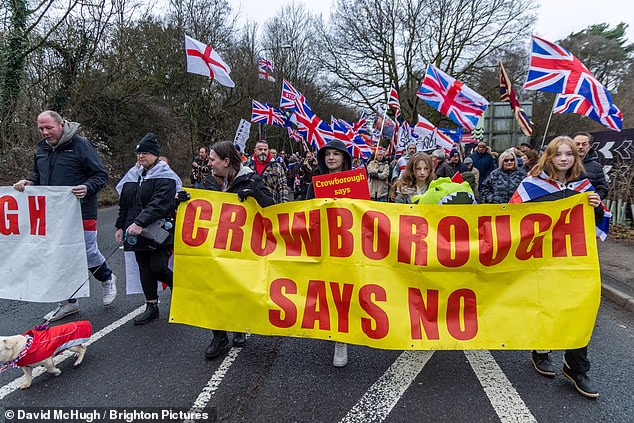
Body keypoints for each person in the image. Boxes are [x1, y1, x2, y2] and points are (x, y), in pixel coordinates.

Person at [509, 135, 605, 399]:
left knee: (580, 310)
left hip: (574, 260)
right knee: (545, 305)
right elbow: (510, 217)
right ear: (548, 157)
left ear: (576, 157)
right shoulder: (531, 185)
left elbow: (599, 222)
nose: (564, 158)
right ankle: (541, 351)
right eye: (558, 154)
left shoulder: (583, 187)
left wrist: (596, 208)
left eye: (569, 154)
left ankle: (576, 368)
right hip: (541, 260)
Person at [13, 110, 117, 321]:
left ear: (61, 125)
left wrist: (87, 187)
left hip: (82, 209)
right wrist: (29, 182)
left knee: (87, 252)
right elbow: (37, 175)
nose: (45, 132)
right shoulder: (41, 148)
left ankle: (107, 278)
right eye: (41, 128)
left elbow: (100, 175)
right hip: (52, 211)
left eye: (49, 127)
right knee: (57, 255)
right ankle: (68, 302)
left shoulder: (81, 145)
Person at [197, 141, 274, 358]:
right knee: (214, 291)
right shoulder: (209, 181)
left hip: (241, 247)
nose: (209, 163)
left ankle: (238, 326)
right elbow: (198, 205)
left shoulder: (251, 179)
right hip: (215, 246)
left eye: (212, 159)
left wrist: (256, 195)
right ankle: (219, 336)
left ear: (226, 161)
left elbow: (271, 207)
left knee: (236, 290)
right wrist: (183, 202)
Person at [115, 134, 181, 325]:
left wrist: (140, 223)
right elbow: (125, 204)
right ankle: (151, 306)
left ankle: (182, 294)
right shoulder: (133, 175)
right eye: (138, 153)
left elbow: (159, 204)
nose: (141, 156)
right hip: (135, 230)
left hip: (160, 230)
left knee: (158, 267)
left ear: (155, 155)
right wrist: (120, 226)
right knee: (144, 267)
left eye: (145, 153)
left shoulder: (165, 176)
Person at [304, 139, 352, 367]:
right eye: (327, 154)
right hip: (322, 242)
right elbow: (305, 211)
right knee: (324, 288)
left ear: (344, 158)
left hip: (348, 245)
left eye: (336, 154)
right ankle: (328, 325)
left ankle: (341, 340)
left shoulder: (355, 182)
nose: (331, 158)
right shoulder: (315, 184)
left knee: (343, 290)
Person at [572, 132, 609, 200]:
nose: (580, 147)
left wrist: (595, 198)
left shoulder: (597, 167)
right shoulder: (563, 164)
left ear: (589, 146)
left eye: (584, 144)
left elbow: (602, 189)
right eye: (577, 144)